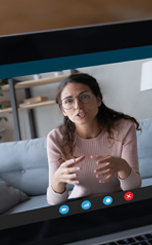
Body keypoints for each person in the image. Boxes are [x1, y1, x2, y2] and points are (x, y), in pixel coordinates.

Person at [47, 73, 141, 205]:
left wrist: (123, 167)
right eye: (69, 101)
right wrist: (57, 180)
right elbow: (54, 202)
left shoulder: (124, 128)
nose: (78, 106)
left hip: (121, 201)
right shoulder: (56, 138)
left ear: (98, 100)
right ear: (63, 110)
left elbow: (133, 189)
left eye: (85, 97)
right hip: (81, 204)